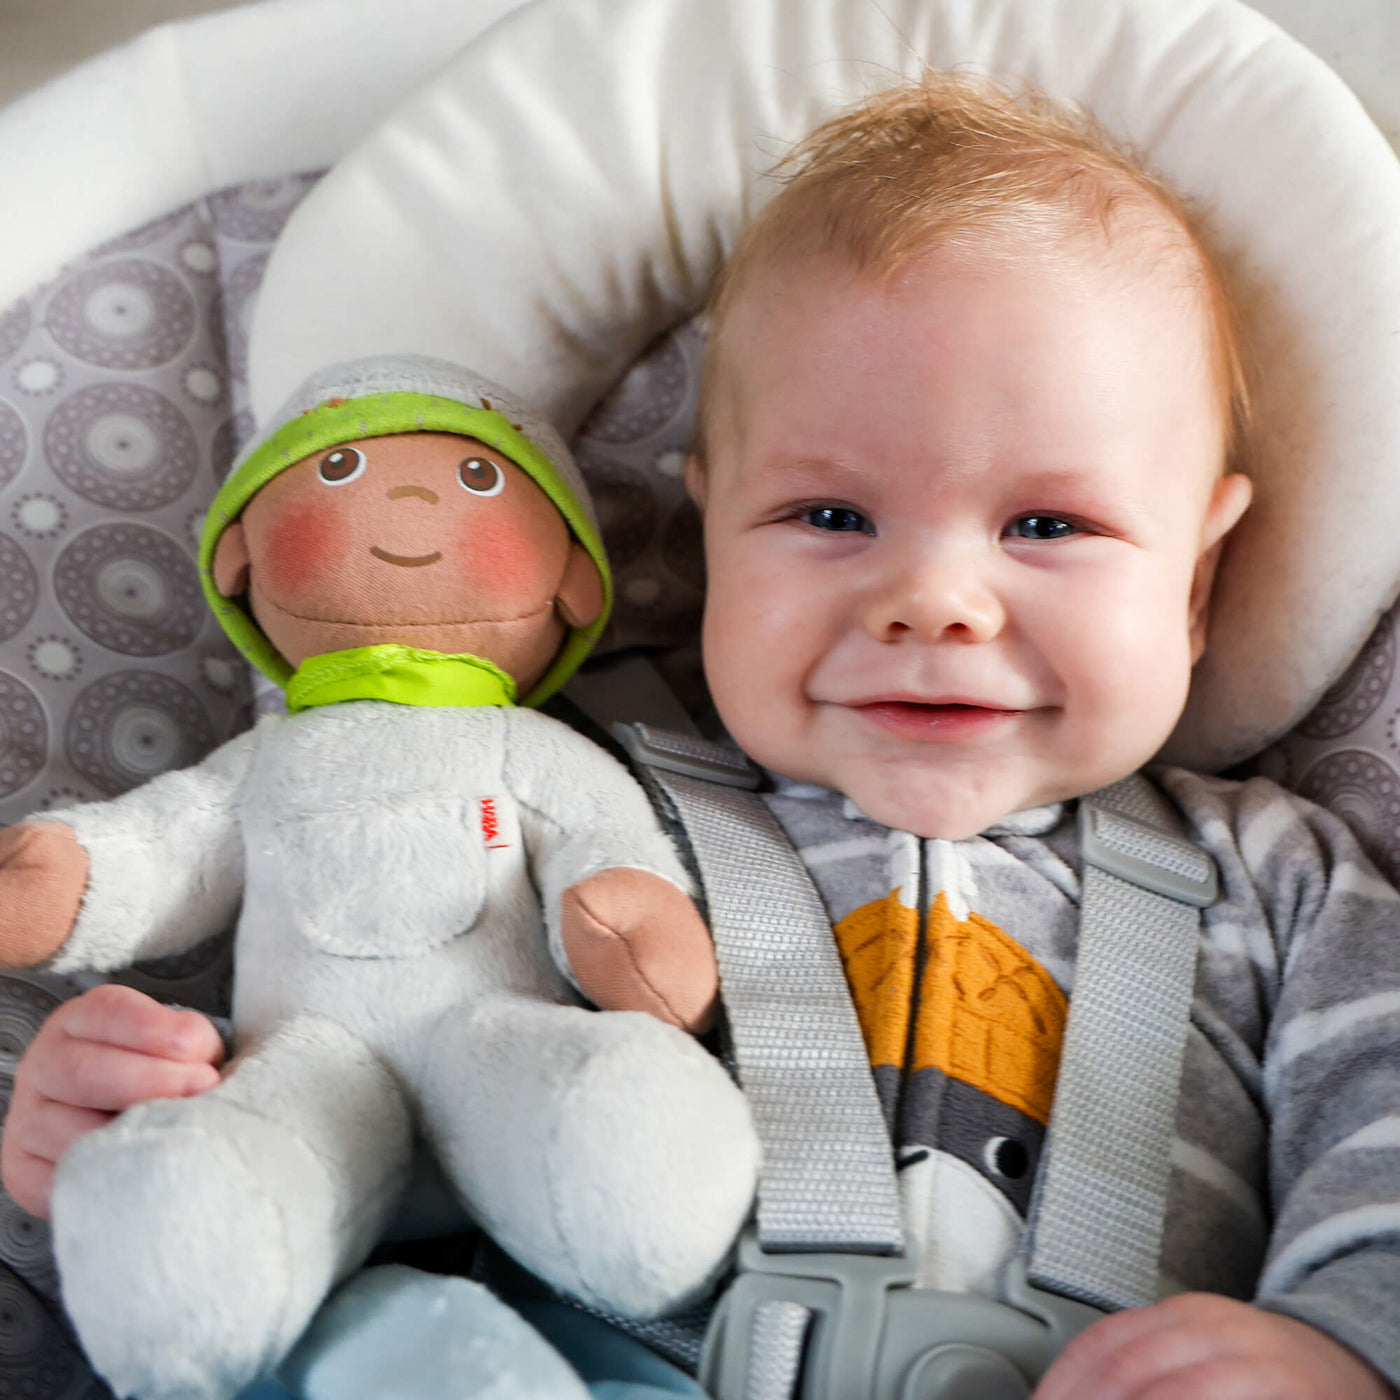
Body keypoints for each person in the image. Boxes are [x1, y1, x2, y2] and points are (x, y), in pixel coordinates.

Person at [7, 75, 1400, 1400]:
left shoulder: (1280, 881)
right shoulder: (574, 797)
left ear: (1201, 580)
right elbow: (372, 1051)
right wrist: (138, 1131)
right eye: (829, 518)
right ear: (709, 529)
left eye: (1049, 526)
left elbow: (1382, 1130)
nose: (931, 603)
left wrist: (1339, 1347)